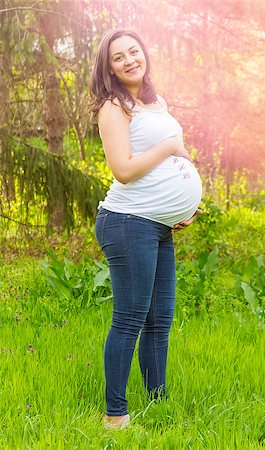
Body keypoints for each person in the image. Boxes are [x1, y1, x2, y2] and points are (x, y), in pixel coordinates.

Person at [89, 29, 202, 429]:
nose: (128, 60)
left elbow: (164, 169)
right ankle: (115, 415)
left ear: (145, 54)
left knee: (160, 321)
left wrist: (182, 205)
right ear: (110, 68)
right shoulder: (113, 107)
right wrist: (170, 147)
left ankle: (159, 402)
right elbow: (123, 168)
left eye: (134, 51)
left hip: (157, 225)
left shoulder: (156, 103)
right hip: (126, 223)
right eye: (118, 57)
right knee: (130, 319)